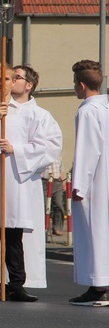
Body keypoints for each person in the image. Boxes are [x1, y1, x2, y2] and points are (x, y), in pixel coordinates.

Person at [0, 63, 61, 302]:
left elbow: (49, 146)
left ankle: (16, 282)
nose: (2, 84)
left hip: (17, 181)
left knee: (14, 234)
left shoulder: (33, 114)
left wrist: (16, 149)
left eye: (7, 79)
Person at [69, 60, 109, 306]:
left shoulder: (87, 111)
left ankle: (97, 285)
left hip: (95, 181)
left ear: (82, 85)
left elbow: (87, 149)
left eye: (75, 83)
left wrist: (79, 185)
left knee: (93, 232)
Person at [41, 156, 66, 236]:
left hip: (57, 181)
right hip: (45, 181)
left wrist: (63, 181)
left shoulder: (59, 156)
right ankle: (44, 228)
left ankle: (57, 227)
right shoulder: (43, 153)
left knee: (58, 205)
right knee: (44, 206)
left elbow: (61, 170)